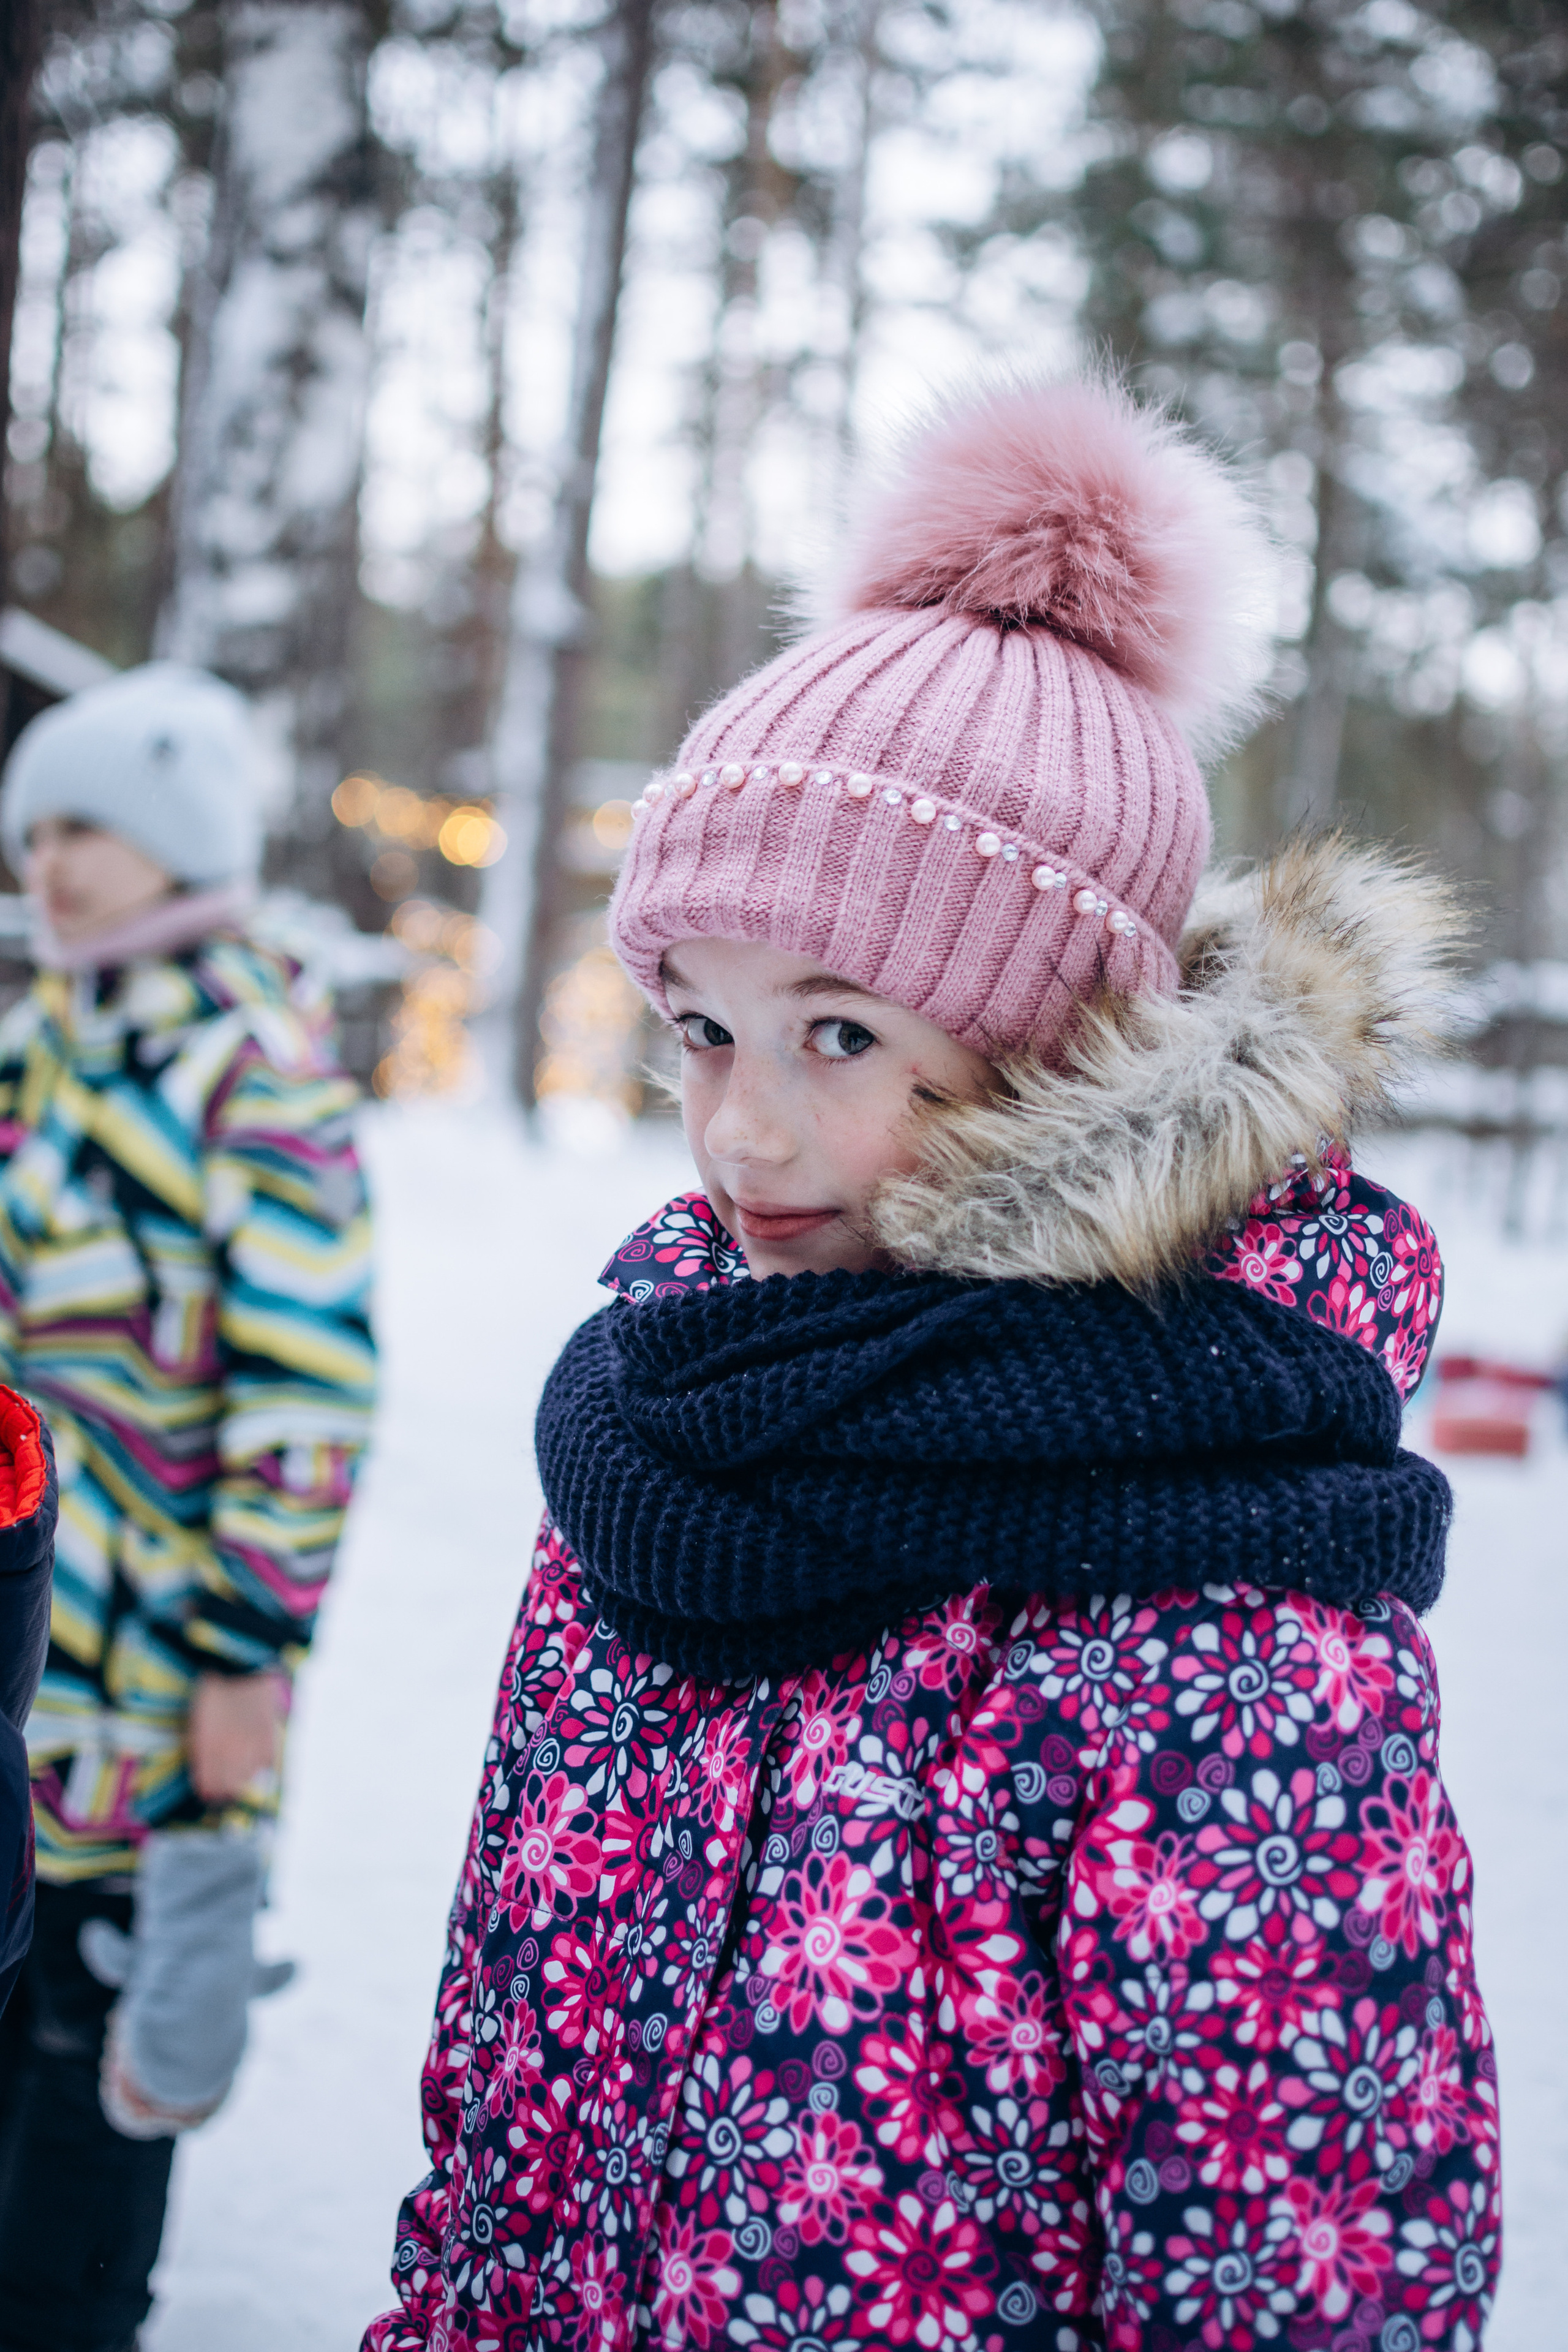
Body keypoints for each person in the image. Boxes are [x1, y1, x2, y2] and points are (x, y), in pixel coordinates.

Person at [365, 377, 1496, 2352]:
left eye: (841, 1036)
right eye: (701, 1029)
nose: (741, 1139)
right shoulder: (664, 1439)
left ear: (1066, 1052)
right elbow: (501, 2125)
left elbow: (1306, 2272)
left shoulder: (1218, 1580)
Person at [0, 662, 376, 2352]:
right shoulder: (42, 1049)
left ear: (176, 835)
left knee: (104, 2056)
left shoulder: (255, 1070)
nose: (48, 864)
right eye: (31, 834)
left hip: (158, 1673)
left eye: (85, 826)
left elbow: (311, 1386)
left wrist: (247, 1648)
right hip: (19, 1639)